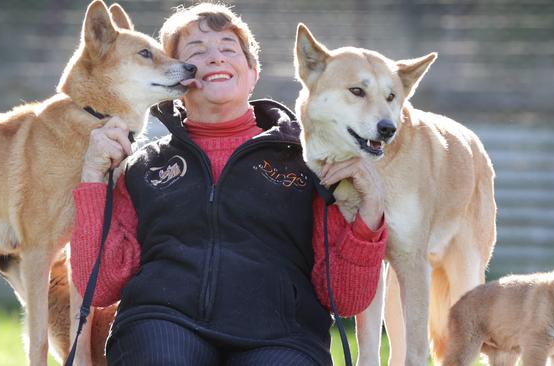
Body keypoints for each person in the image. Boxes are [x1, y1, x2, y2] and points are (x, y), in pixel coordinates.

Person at [70, 3, 387, 365]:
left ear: (253, 72)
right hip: (163, 322)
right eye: (197, 52)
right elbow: (102, 284)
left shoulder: (307, 160)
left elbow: (346, 296)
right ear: (177, 78)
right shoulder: (143, 166)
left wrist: (370, 213)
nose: (216, 59)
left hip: (282, 334)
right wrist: (94, 178)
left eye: (228, 49)